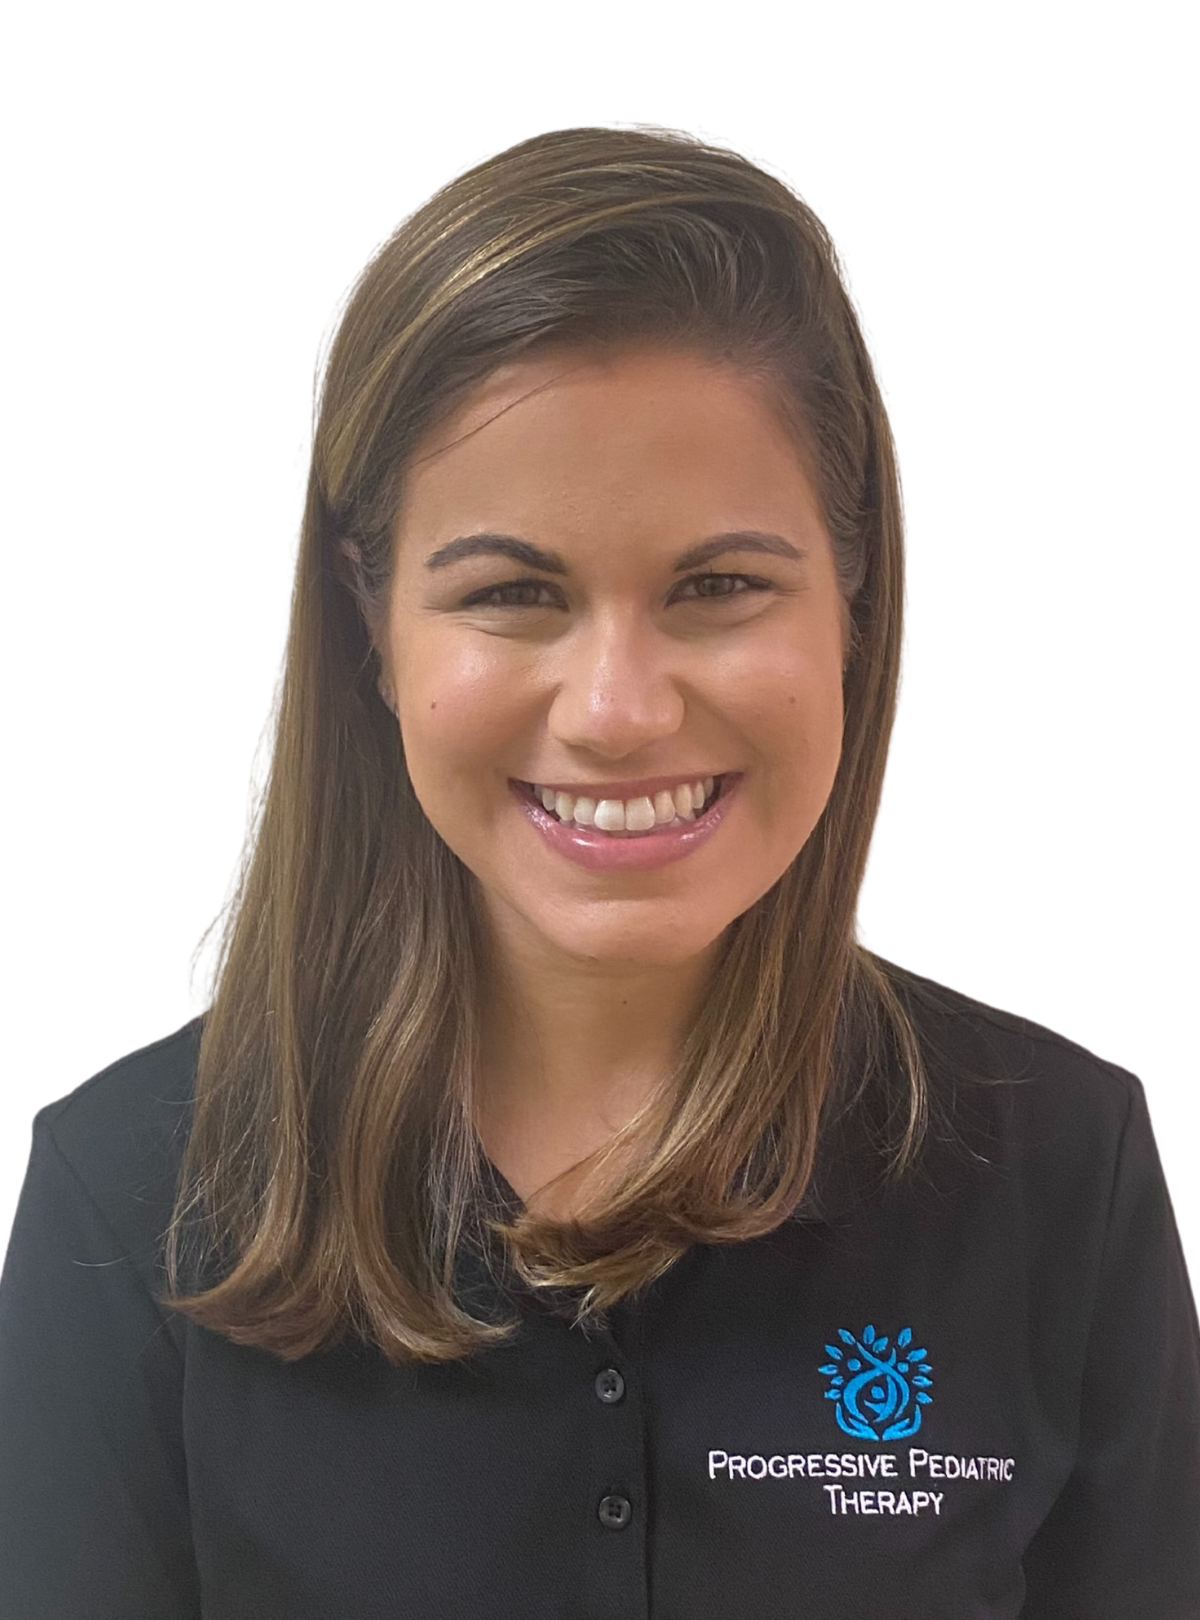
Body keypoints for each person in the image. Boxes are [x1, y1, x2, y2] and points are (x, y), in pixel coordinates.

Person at [1, 123, 1197, 1619]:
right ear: (373, 624)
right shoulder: (130, 1202)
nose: (618, 710)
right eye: (511, 593)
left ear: (854, 600)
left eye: (718, 586)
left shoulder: (1060, 1170)